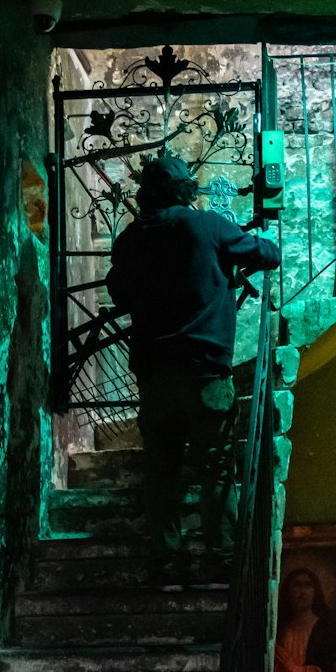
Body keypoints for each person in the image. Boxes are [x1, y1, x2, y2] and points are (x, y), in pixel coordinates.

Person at [104, 153, 280, 568]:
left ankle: (166, 555)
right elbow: (267, 254)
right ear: (186, 189)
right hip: (204, 370)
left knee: (161, 469)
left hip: (154, 374)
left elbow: (119, 292)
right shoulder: (207, 226)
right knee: (216, 468)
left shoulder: (131, 239)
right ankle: (222, 554)